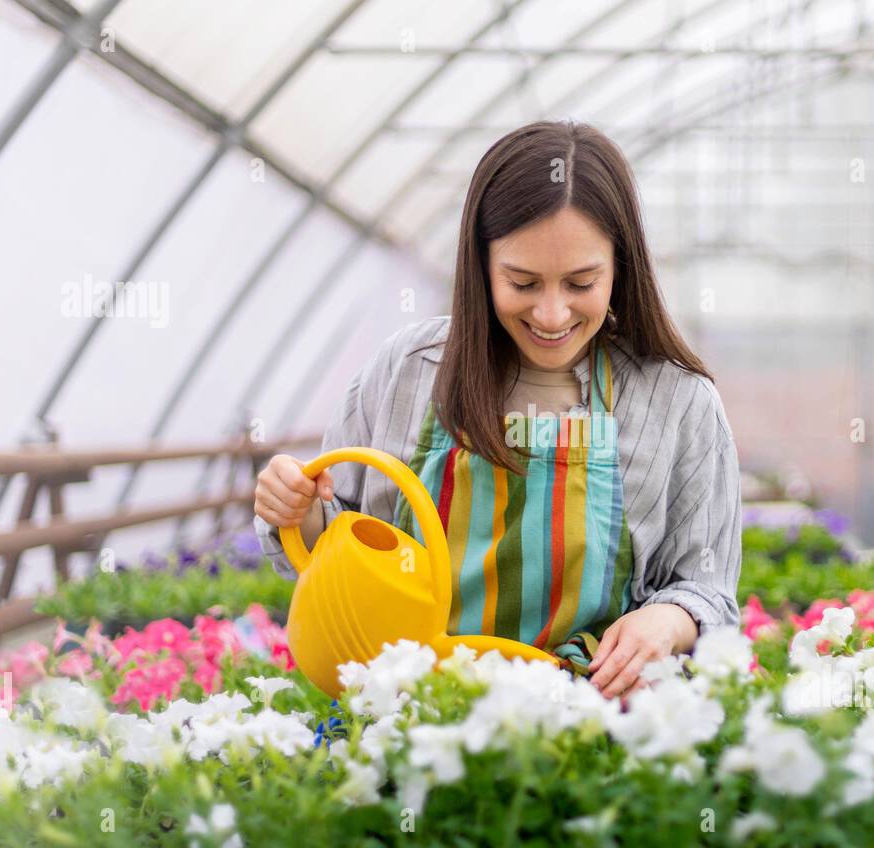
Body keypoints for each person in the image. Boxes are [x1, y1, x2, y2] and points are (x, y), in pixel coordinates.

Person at [254, 120, 740, 701]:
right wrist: (298, 513)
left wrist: (670, 619)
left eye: (581, 282)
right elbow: (337, 549)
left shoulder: (676, 401)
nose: (553, 314)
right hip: (411, 720)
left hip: (586, 733)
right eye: (523, 282)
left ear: (621, 266)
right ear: (480, 266)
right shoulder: (408, 370)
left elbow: (708, 591)